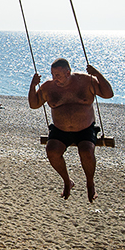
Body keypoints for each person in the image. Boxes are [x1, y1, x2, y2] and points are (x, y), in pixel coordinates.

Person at [28, 58, 114, 202]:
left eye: (58, 75)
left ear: (68, 73)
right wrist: (33, 85)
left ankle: (90, 182)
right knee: (52, 151)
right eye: (53, 75)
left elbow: (108, 94)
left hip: (85, 129)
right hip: (60, 129)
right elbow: (34, 104)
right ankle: (67, 181)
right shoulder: (48, 87)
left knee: (86, 151)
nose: (55, 79)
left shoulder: (86, 81)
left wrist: (97, 74)